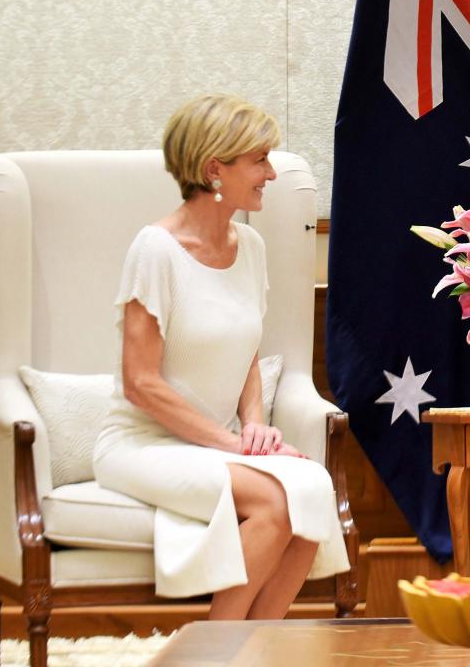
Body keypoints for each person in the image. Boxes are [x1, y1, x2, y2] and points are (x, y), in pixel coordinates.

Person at [94, 94, 349, 619]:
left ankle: (253, 654)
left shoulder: (250, 248)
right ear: (215, 169)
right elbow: (140, 383)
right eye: (258, 160)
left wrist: (254, 425)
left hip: (217, 445)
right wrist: (235, 444)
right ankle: (214, 660)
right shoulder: (155, 249)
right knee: (276, 503)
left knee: (314, 490)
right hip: (142, 446)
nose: (271, 174)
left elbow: (246, 353)